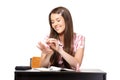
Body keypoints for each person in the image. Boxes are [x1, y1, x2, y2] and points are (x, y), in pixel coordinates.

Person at [37, 6, 85, 70]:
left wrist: (60, 50)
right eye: (52, 22)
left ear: (67, 20)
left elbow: (77, 64)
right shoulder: (48, 38)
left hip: (71, 77)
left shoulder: (79, 38)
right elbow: (42, 66)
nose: (55, 24)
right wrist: (48, 54)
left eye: (58, 20)